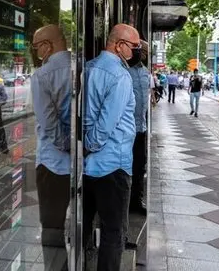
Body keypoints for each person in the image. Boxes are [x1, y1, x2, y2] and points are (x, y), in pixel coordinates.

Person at [83, 23, 139, 271]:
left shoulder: (87, 68)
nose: (135, 52)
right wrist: (90, 146)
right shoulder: (120, 75)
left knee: (83, 227)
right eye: (133, 47)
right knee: (113, 232)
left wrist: (84, 151)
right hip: (113, 165)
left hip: (87, 166)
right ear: (119, 45)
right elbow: (107, 123)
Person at [31, 25, 71, 271]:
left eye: (37, 47)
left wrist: (66, 146)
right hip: (83, 164)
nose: (36, 52)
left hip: (52, 164)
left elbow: (48, 122)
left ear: (47, 46)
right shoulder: (82, 68)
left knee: (52, 227)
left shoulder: (42, 75)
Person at [127, 39, 149, 216]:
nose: (144, 55)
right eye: (142, 51)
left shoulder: (145, 72)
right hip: (127, 130)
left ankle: (136, 200)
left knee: (140, 166)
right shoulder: (125, 71)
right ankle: (125, 201)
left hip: (141, 128)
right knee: (126, 167)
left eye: (146, 53)